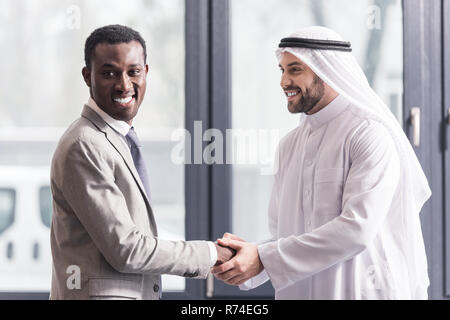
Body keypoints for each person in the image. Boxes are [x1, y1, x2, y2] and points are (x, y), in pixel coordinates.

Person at [212, 26, 431, 300]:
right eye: (282, 70)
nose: (283, 81)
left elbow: (356, 230)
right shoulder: (288, 146)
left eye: (295, 69)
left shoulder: (368, 134)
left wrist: (264, 257)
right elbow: (286, 236)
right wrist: (248, 257)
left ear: (326, 70)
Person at [50, 24, 233, 300]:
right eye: (109, 73)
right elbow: (127, 249)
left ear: (145, 72)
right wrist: (210, 253)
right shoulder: (84, 144)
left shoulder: (118, 138)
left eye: (133, 72)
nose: (124, 85)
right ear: (88, 77)